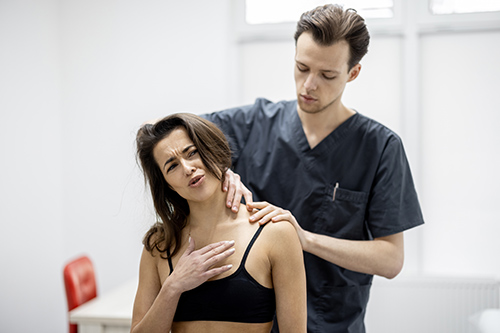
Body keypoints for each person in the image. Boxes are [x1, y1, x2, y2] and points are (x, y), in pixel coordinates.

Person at [200, 4, 425, 333]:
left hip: (331, 321)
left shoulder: (380, 147)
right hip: (250, 321)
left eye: (327, 75)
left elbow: (391, 260)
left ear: (353, 72)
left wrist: (303, 239)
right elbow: (162, 134)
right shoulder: (251, 125)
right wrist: (220, 170)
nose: (308, 85)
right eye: (301, 67)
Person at [130, 113, 307, 333]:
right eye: (172, 166)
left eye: (192, 152)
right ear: (168, 186)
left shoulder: (275, 233)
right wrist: (173, 287)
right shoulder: (159, 244)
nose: (187, 168)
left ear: (212, 149)